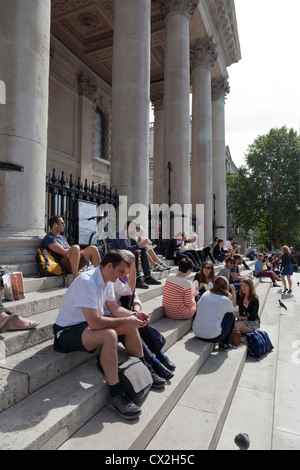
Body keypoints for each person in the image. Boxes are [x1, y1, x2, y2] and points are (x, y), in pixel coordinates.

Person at [52, 249, 151, 420]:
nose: (122, 277)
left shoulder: (107, 281)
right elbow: (95, 322)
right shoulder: (86, 282)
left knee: (129, 327)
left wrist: (133, 316)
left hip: (85, 325)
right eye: (121, 272)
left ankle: (144, 370)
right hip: (67, 331)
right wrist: (127, 321)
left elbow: (113, 308)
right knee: (110, 335)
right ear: (109, 266)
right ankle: (116, 394)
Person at [42, 215, 101, 280]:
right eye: (62, 223)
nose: (64, 225)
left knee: (93, 248)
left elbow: (71, 250)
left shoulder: (63, 238)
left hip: (73, 263)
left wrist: (79, 253)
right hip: (62, 266)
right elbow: (63, 252)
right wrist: (76, 251)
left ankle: (101, 276)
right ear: (55, 224)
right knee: (75, 247)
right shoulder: (49, 238)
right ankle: (75, 278)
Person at [110, 220, 161, 289]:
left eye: (135, 227)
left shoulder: (130, 237)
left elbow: (137, 246)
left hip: (124, 255)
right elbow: (124, 248)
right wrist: (139, 247)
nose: (134, 229)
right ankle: (137, 279)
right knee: (135, 252)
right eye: (132, 227)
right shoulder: (120, 233)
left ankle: (148, 277)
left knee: (142, 251)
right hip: (115, 256)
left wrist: (144, 248)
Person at [192, 276, 236, 350]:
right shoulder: (225, 300)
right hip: (212, 337)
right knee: (231, 315)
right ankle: (225, 343)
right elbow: (233, 309)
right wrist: (234, 294)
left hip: (197, 332)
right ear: (226, 288)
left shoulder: (205, 294)